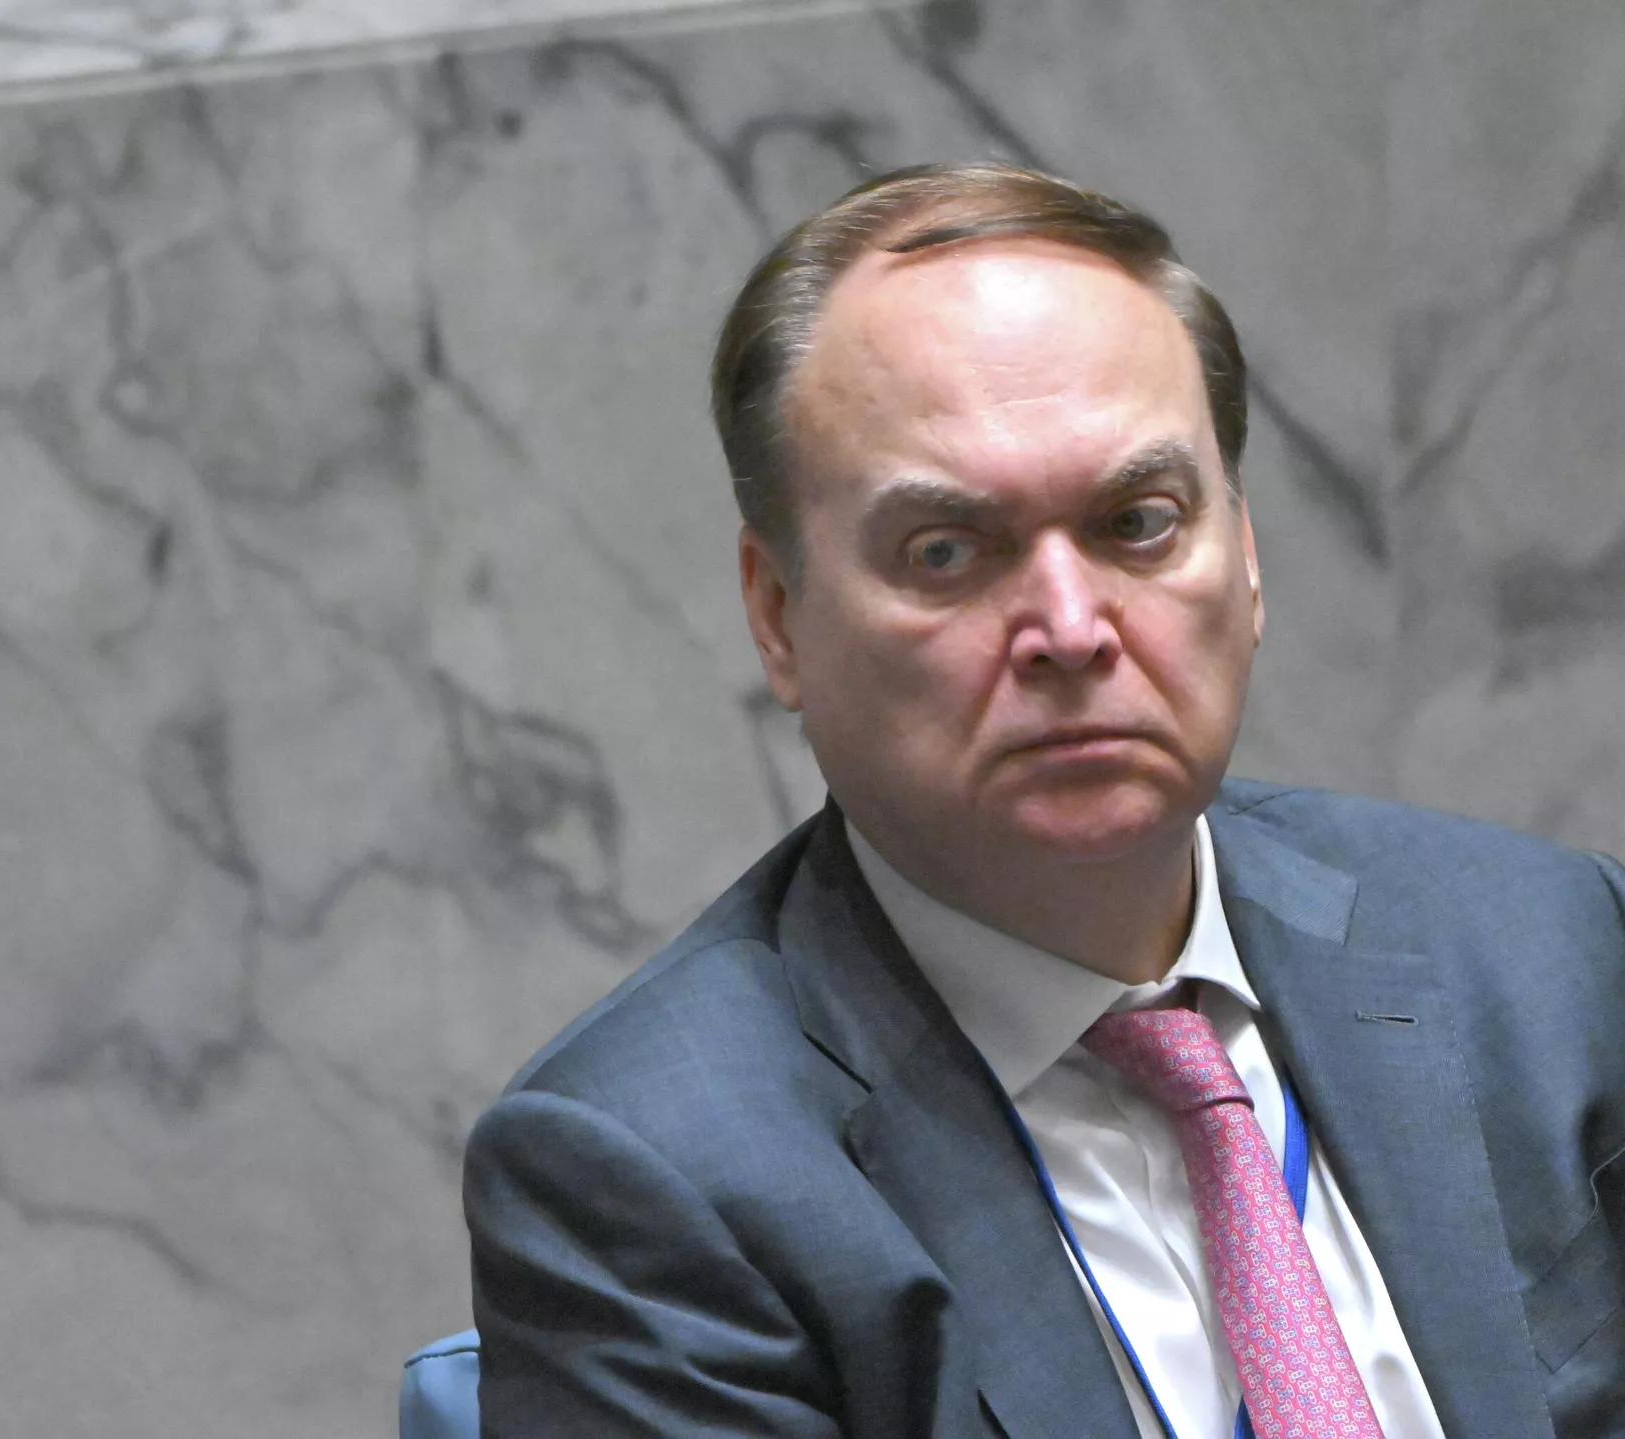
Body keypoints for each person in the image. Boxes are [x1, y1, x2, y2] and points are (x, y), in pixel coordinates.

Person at [461, 162, 1625, 1437]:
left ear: (1244, 554)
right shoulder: (652, 1174)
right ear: (779, 613)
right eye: (945, 551)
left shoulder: (1551, 949)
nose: (1071, 628)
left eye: (1138, 521)